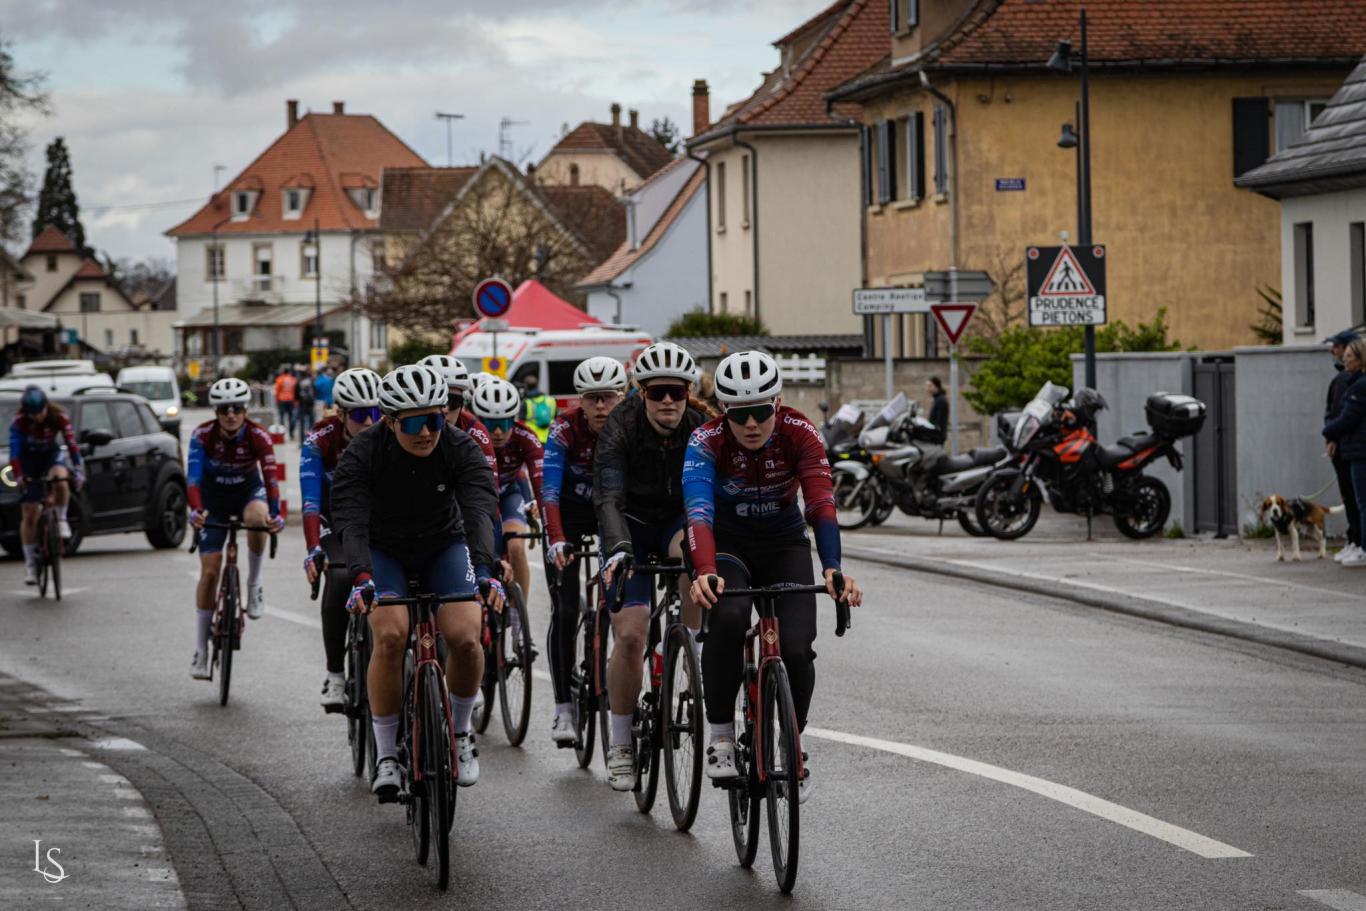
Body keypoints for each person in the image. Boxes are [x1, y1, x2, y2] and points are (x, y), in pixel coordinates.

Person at [685, 350, 863, 801]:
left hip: (783, 543)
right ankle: (722, 734)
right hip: (726, 545)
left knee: (798, 647)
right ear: (723, 411)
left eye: (761, 411)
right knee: (727, 618)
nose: (751, 424)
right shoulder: (705, 441)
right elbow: (699, 511)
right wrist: (704, 570)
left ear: (778, 404)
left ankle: (792, 743)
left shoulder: (801, 432)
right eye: (739, 414)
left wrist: (833, 568)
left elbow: (821, 503)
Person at [331, 365, 503, 800]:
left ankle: (461, 731)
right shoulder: (363, 453)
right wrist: (361, 576)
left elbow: (481, 509)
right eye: (413, 422)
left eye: (435, 418)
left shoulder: (459, 446)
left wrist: (485, 571)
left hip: (442, 544)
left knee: (465, 637)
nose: (427, 432)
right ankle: (387, 753)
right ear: (389, 421)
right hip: (384, 550)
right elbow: (350, 520)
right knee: (389, 635)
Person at [593, 341, 708, 790]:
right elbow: (608, 497)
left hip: (677, 519)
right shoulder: (620, 426)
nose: (667, 402)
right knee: (630, 635)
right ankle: (620, 743)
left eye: (676, 393)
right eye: (657, 392)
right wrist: (619, 549)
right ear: (641, 394)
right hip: (630, 527)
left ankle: (688, 646)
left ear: (686, 393)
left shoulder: (700, 426)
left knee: (695, 558)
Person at [541, 356, 628, 743]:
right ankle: (563, 708)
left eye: (607, 397)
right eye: (592, 399)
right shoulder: (563, 429)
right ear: (581, 400)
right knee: (566, 608)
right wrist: (557, 537)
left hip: (611, 514)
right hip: (571, 518)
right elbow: (549, 492)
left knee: (625, 604)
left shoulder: (629, 428)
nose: (600, 407)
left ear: (621, 397)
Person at [187, 378, 285, 680]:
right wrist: (196, 510)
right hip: (212, 499)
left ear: (245, 410)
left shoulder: (258, 435)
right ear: (216, 411)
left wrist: (276, 513)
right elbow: (192, 479)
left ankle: (254, 584)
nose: (231, 414)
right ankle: (201, 650)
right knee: (211, 572)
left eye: (237, 408)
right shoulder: (202, 435)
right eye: (224, 409)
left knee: (258, 517)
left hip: (246, 493)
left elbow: (270, 479)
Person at [300, 367, 383, 712]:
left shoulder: (386, 435)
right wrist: (313, 548)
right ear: (341, 413)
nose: (369, 422)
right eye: (361, 415)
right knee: (338, 576)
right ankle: (335, 673)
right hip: (333, 521)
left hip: (375, 521)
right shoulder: (319, 439)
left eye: (376, 413)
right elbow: (310, 501)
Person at [472, 378, 543, 603]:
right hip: (479, 499)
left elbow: (540, 477)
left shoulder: (525, 436)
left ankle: (517, 611)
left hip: (508, 494)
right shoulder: (469, 438)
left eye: (505, 423)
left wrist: (536, 504)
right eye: (491, 424)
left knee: (516, 546)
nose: (499, 432)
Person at [9, 385, 82, 585]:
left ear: (46, 407)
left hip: (50, 456)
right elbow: (14, 453)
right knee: (29, 513)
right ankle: (31, 565)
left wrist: (78, 468)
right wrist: (19, 476)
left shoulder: (59, 416)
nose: (38, 417)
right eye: (33, 414)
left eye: (40, 412)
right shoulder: (19, 423)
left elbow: (71, 443)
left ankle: (61, 518)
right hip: (29, 460)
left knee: (60, 478)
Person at [1323, 336, 1366, 568]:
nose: (1343, 358)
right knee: (1352, 499)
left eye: (1349, 355)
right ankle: (1356, 541)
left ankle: (1361, 545)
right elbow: (1332, 409)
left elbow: (1346, 417)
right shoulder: (1344, 381)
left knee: (1360, 501)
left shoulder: (1358, 385)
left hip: (1357, 449)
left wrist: (1328, 432)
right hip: (1348, 447)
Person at [418, 355, 498, 481]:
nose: (445, 409)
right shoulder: (394, 425)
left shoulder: (475, 429)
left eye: (453, 401)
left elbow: (489, 486)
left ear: (462, 404)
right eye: (435, 401)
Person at [520, 371, 558, 444]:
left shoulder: (526, 402)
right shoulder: (551, 400)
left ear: (526, 386)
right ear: (537, 385)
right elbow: (557, 419)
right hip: (550, 437)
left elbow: (520, 424)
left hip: (532, 439)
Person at [274, 367, 298, 439]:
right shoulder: (293, 379)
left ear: (283, 372)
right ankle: (291, 433)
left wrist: (277, 400)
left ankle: (282, 434)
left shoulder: (279, 379)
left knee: (282, 417)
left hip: (282, 400)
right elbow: (296, 390)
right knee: (291, 417)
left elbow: (277, 391)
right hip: (291, 400)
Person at [926, 376, 948, 445]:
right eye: (927, 386)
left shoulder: (941, 400)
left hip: (937, 438)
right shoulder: (938, 399)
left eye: (930, 386)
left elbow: (939, 421)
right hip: (936, 436)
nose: (928, 389)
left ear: (936, 386)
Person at [295, 370, 316, 437]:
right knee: (311, 423)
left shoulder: (298, 382)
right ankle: (311, 439)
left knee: (302, 424)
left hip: (302, 405)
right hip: (310, 405)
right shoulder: (311, 381)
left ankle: (302, 441)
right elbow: (315, 392)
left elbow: (296, 395)